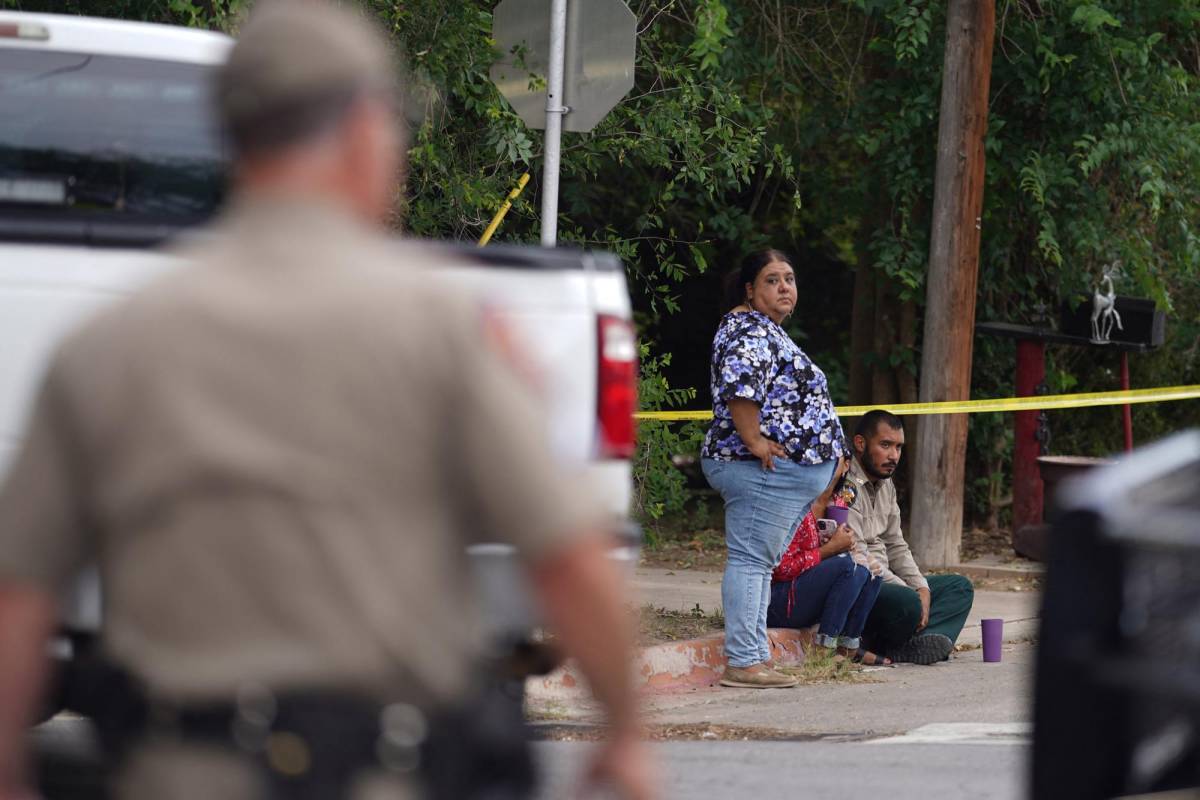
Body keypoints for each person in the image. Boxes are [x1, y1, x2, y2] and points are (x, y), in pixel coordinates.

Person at [0, 3, 655, 800]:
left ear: (230, 138)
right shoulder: (444, 330)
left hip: (176, 772)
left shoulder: (108, 343)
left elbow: (20, 593)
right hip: (386, 770)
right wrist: (622, 734)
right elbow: (569, 558)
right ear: (360, 129)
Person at [701, 249, 847, 689]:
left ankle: (755, 655)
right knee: (750, 561)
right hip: (755, 467)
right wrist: (754, 441)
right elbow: (741, 385)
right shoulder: (748, 330)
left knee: (759, 564)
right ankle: (743, 661)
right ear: (750, 289)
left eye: (789, 278)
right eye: (772, 280)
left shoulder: (766, 331)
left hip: (778, 475)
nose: (785, 287)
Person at [847, 410, 975, 665]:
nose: (894, 455)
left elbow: (896, 545)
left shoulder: (887, 483)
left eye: (898, 447)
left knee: (959, 588)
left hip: (889, 582)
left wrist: (922, 588)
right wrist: (909, 592)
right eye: (885, 445)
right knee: (906, 601)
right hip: (862, 582)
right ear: (860, 444)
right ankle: (890, 644)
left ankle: (913, 645)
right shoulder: (845, 484)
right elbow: (857, 555)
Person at [768, 460, 890, 666]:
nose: (822, 462)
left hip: (808, 597)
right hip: (780, 601)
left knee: (870, 570)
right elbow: (782, 569)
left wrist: (849, 549)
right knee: (847, 565)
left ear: (846, 466)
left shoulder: (839, 503)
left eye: (832, 458)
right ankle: (823, 649)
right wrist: (829, 551)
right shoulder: (796, 503)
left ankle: (849, 647)